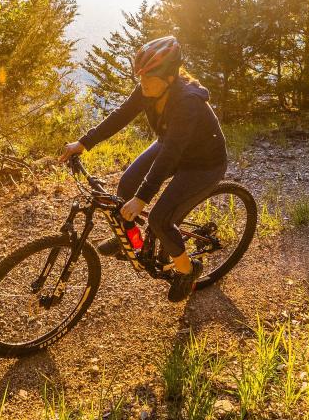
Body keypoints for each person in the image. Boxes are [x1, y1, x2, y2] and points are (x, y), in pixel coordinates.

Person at [58, 35, 228, 302]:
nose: (142, 83)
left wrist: (142, 198)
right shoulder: (148, 89)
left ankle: (188, 270)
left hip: (203, 165)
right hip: (170, 145)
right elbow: (121, 115)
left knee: (160, 219)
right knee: (126, 185)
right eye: (140, 77)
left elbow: (170, 156)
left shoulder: (187, 102)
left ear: (170, 77)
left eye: (148, 78)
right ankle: (132, 240)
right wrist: (84, 142)